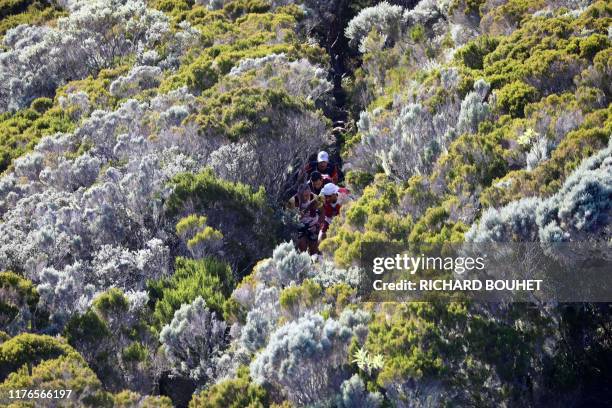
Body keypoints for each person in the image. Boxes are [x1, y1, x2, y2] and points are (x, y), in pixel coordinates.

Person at [288, 183, 321, 254]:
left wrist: (320, 223)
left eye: (307, 195)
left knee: (314, 249)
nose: (305, 198)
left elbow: (323, 210)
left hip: (313, 225)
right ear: (299, 194)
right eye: (303, 196)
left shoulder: (315, 197)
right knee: (302, 248)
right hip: (300, 227)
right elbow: (288, 217)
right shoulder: (292, 201)